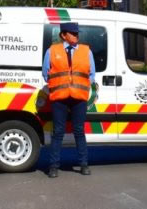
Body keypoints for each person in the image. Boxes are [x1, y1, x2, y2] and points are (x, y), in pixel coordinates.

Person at [42, 22, 96, 178]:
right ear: (63, 35)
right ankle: (53, 166)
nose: (76, 36)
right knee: (58, 132)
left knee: (79, 131)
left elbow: (92, 74)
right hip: (59, 97)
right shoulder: (52, 51)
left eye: (77, 33)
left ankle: (84, 164)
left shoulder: (86, 51)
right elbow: (46, 73)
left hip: (79, 97)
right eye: (73, 33)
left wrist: (84, 84)